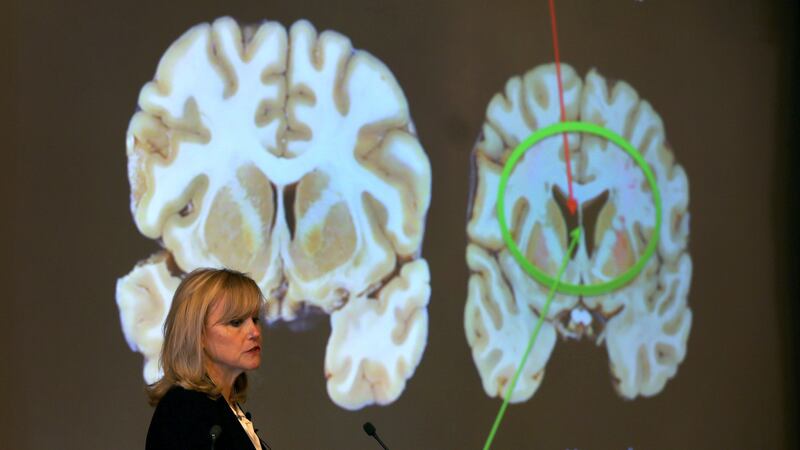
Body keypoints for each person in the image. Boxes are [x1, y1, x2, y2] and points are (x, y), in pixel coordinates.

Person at [145, 268, 269, 450]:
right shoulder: (184, 409)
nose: (254, 332)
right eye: (236, 322)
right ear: (198, 334)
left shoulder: (226, 408)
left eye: (255, 319)